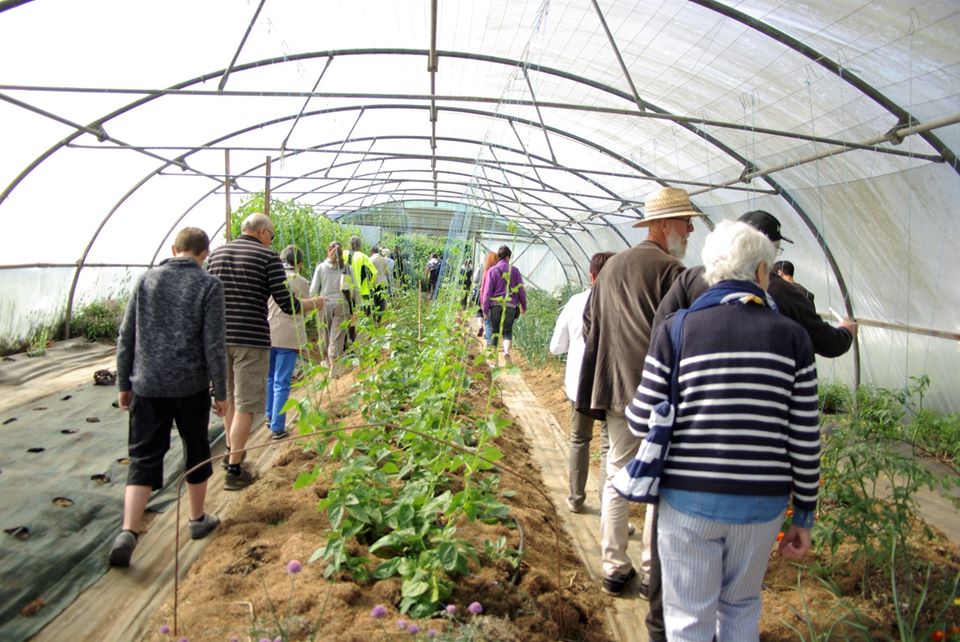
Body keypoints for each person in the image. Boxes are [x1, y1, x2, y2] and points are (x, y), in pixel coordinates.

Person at [643, 209, 855, 642]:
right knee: (740, 608)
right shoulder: (793, 338)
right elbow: (804, 437)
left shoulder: (676, 330)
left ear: (711, 269)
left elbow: (642, 413)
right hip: (761, 507)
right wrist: (806, 515)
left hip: (687, 503)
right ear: (762, 271)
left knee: (687, 618)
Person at [576, 185, 702, 607]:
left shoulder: (611, 266)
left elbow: (590, 325)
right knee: (657, 483)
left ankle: (613, 566)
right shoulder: (673, 272)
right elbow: (685, 336)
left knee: (617, 473)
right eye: (686, 222)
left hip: (612, 386)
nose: (690, 230)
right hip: (655, 393)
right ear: (664, 226)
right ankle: (651, 573)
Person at [110, 227, 226, 567]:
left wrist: (123, 383)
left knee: (144, 456)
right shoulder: (208, 285)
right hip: (189, 387)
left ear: (175, 248)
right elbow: (214, 346)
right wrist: (221, 392)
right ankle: (196, 519)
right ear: (205, 254)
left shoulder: (147, 281)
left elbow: (126, 335)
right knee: (197, 447)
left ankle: (129, 531)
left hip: (147, 384)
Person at [207, 213, 323, 491]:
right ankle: (235, 469)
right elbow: (287, 304)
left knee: (229, 399)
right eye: (271, 235)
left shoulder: (217, 254)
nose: (271, 241)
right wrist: (313, 303)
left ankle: (230, 452)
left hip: (219, 337)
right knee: (246, 404)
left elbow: (207, 296)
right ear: (261, 232)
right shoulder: (267, 258)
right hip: (251, 338)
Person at [653, 210, 855, 358]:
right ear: (767, 249)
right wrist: (846, 330)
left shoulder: (691, 279)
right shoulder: (784, 292)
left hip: (693, 396)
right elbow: (828, 343)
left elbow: (660, 329)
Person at [549, 251, 614, 513]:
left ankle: (576, 498)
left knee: (579, 439)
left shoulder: (576, 302)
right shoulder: (625, 302)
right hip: (613, 385)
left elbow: (556, 347)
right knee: (611, 447)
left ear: (591, 275)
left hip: (580, 384)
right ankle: (609, 509)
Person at [265, 245, 311, 440]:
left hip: (268, 333)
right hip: (289, 336)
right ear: (299, 263)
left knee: (269, 378)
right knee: (282, 382)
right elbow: (305, 308)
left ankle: (269, 416)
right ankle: (277, 427)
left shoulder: (269, 277)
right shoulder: (300, 281)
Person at [481, 245, 527, 360]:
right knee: (507, 331)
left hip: (495, 305)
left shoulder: (492, 270)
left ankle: (494, 358)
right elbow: (521, 290)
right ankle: (506, 352)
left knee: (495, 331)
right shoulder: (515, 271)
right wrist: (523, 306)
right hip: (510, 305)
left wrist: (485, 310)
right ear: (507, 257)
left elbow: (487, 292)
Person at [310, 241, 351, 370]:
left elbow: (313, 290)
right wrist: (353, 305)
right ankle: (335, 365)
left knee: (324, 335)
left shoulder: (320, 267)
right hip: (341, 304)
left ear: (328, 251)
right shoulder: (346, 267)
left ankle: (327, 361)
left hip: (324, 304)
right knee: (337, 336)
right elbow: (349, 288)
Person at [343, 235, 377, 318]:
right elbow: (374, 272)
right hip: (360, 290)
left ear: (349, 244)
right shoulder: (363, 256)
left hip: (345, 289)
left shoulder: (343, 254)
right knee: (360, 314)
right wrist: (367, 284)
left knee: (347, 314)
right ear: (359, 245)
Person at [476, 251, 498, 340]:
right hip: (495, 298)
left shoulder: (482, 268)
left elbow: (476, 280)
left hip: (482, 294)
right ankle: (486, 332)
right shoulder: (497, 270)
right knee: (490, 317)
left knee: (480, 312)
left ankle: (481, 326)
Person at [369, 244, 389, 318]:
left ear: (372, 252)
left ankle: (374, 316)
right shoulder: (384, 259)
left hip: (375, 282)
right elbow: (386, 272)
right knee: (381, 300)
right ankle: (380, 317)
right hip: (383, 281)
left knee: (374, 300)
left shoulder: (370, 259)